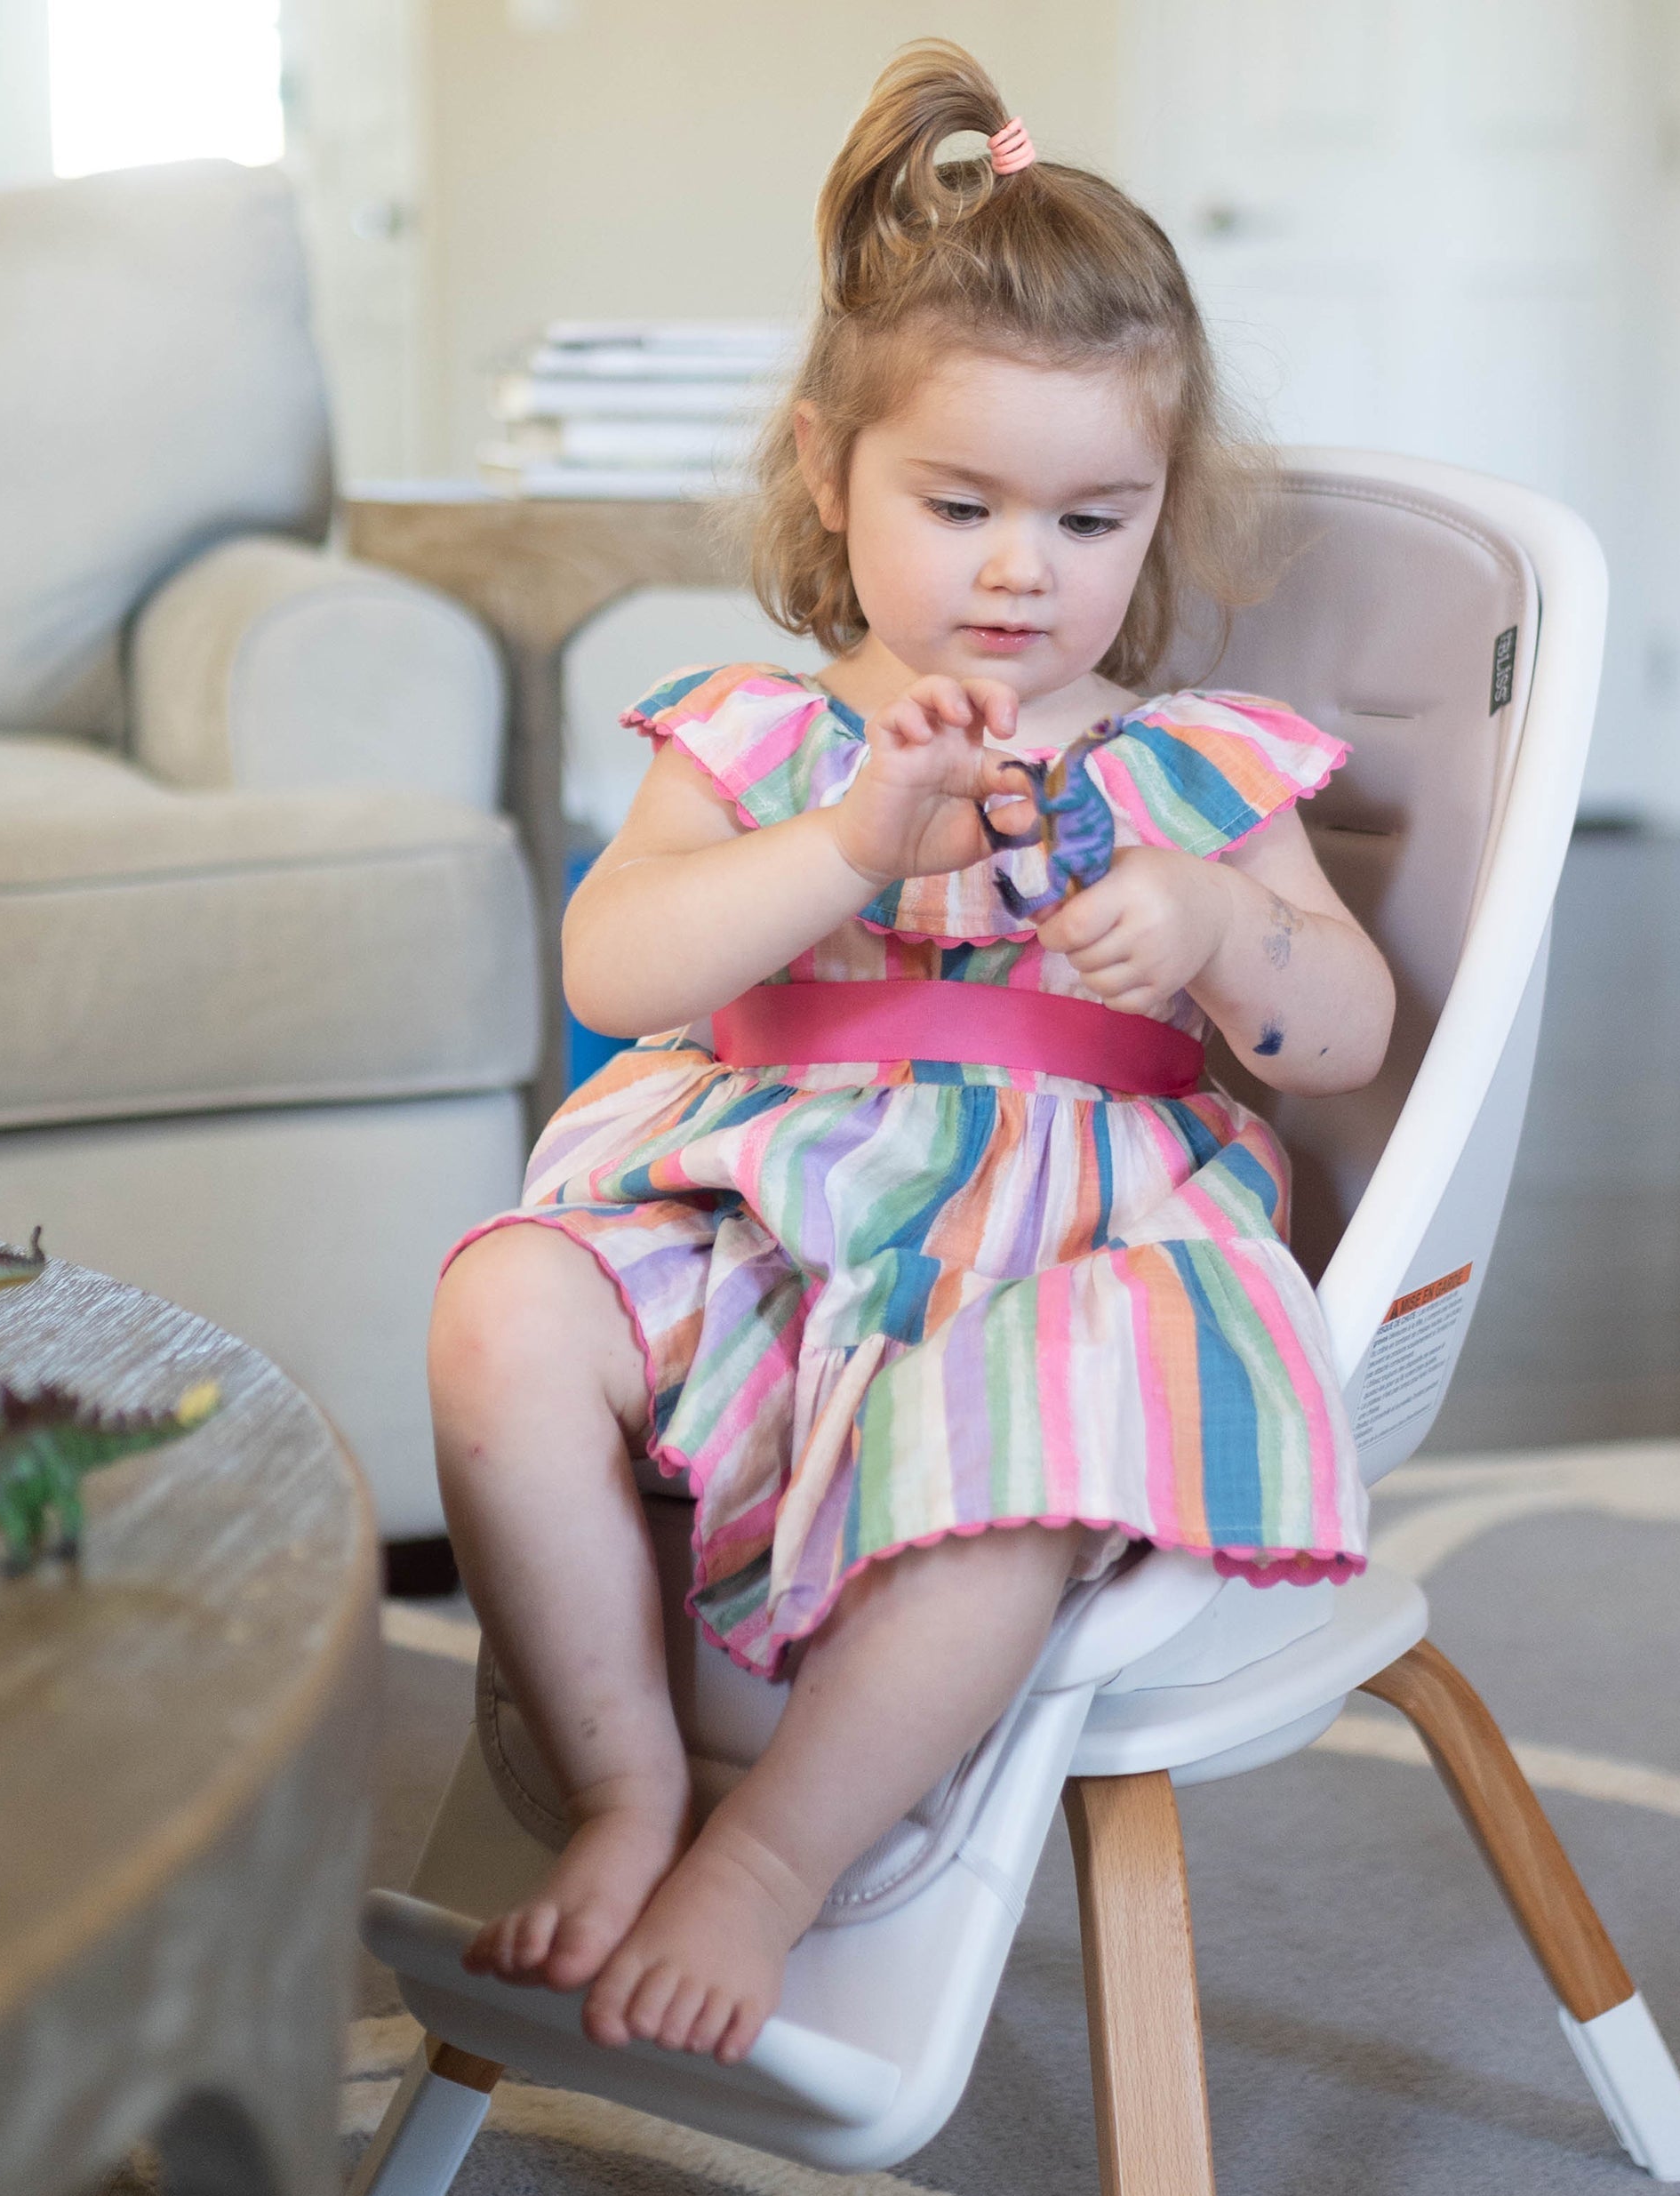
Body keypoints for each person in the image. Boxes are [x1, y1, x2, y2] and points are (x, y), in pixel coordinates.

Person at [428, 40, 1396, 2070]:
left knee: (1054, 1449)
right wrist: (845, 846)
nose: (1025, 571)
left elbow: (1350, 1028)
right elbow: (614, 963)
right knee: (503, 1308)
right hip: (767, 1214)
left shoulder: (1182, 760)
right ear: (827, 472)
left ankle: (775, 1859)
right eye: (961, 505)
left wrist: (1222, 928)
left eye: (1093, 516)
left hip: (1056, 1258)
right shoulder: (769, 739)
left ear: (1160, 514)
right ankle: (622, 1786)